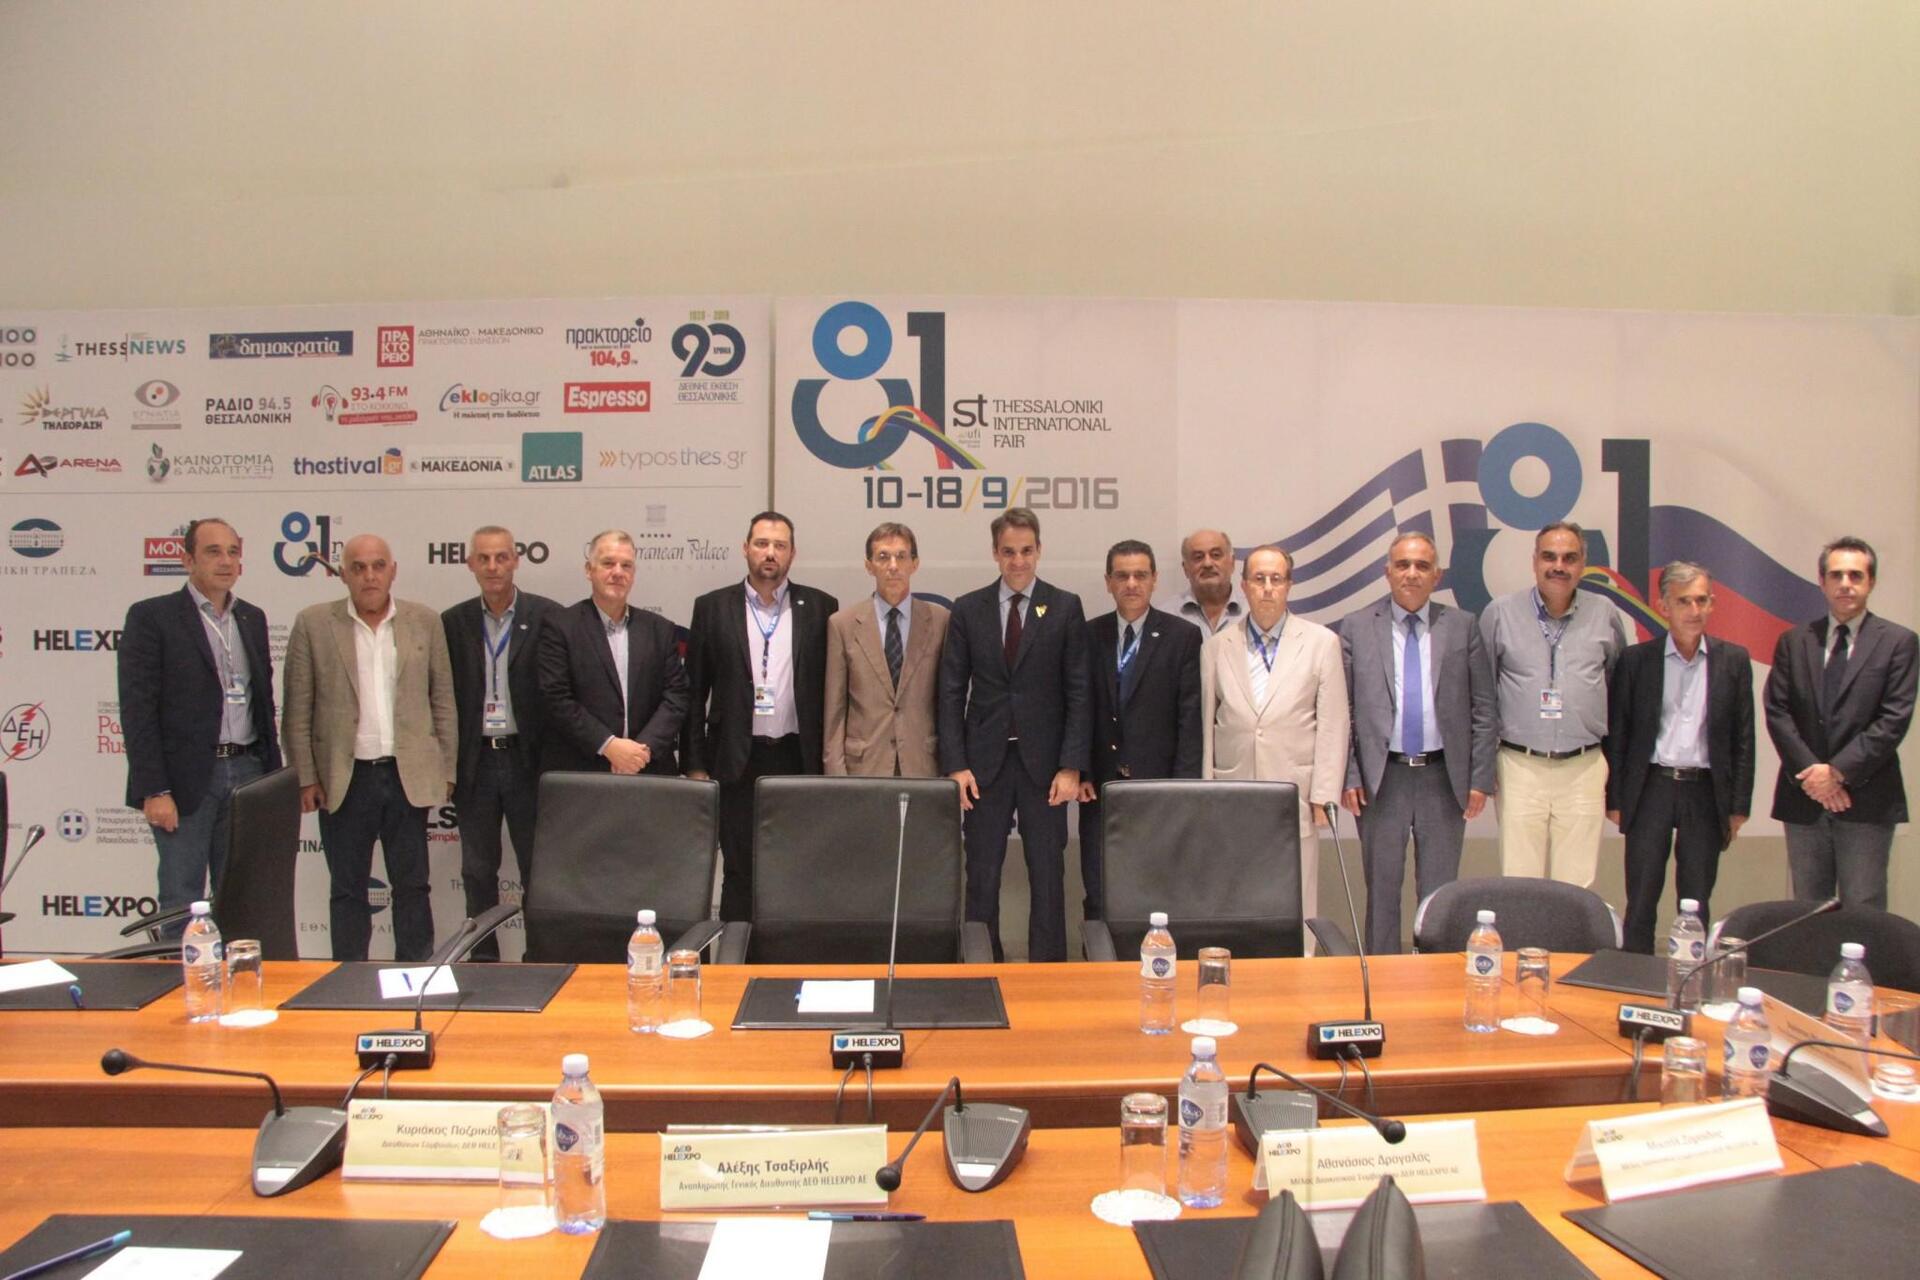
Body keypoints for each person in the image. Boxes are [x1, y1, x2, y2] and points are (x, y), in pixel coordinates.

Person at [283, 534, 456, 961]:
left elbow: (442, 701)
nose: (369, 576)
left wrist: (447, 770)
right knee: (347, 889)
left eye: (378, 566)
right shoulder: (313, 624)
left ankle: (414, 976)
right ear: (343, 574)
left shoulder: (424, 621)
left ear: (392, 571)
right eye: (358, 567)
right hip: (344, 779)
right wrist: (306, 778)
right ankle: (348, 978)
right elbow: (298, 709)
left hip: (406, 776)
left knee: (412, 886)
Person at [939, 507, 1090, 962]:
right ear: (995, 553)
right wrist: (956, 765)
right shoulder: (968, 608)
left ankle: (1047, 977)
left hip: (1046, 768)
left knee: (1047, 878)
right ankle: (982, 970)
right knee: (982, 877)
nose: (1018, 561)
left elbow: (1079, 691)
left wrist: (1071, 766)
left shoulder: (1065, 606)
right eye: (1009, 552)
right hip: (983, 767)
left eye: (1026, 550)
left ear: (1039, 550)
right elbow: (950, 691)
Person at [118, 517, 282, 929]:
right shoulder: (153, 617)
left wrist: (272, 780)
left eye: (232, 552)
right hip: (186, 779)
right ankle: (177, 970)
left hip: (247, 772)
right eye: (213, 552)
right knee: (181, 894)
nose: (225, 561)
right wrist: (155, 789)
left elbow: (263, 704)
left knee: (241, 894)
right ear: (188, 560)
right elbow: (138, 711)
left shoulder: (252, 618)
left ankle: (235, 971)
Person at [1337, 532, 1495, 954]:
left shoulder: (1462, 626)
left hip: (1443, 778)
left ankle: (1434, 976)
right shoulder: (1357, 626)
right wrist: (1350, 774)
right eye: (1403, 565)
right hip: (1381, 779)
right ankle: (1381, 976)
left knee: (1439, 896)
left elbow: (1484, 707)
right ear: (1387, 572)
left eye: (1422, 566)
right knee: (1382, 891)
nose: (1411, 573)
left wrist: (1480, 778)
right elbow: (1343, 710)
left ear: (1437, 576)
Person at [685, 512, 837, 921]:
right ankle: (738, 955)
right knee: (739, 871)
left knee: (797, 869)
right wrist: (696, 765)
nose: (770, 553)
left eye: (780, 545)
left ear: (792, 554)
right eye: (762, 543)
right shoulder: (712, 607)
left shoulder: (821, 606)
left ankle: (787, 955)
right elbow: (694, 692)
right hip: (736, 760)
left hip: (797, 760)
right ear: (745, 548)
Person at [1606, 562, 1755, 952]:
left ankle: (1691, 976)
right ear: (1664, 606)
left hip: (1704, 791)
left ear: (1713, 604)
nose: (1694, 610)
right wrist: (1616, 798)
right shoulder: (1637, 660)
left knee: (1696, 898)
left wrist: (1739, 805)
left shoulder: (1733, 660)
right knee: (1641, 896)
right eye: (1683, 601)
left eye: (1702, 600)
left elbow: (1743, 738)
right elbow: (1619, 734)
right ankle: (1635, 973)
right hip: (1651, 788)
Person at [1765, 536, 1917, 909]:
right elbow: (1778, 712)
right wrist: (1815, 776)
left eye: (1855, 575)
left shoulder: (1898, 642)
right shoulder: (1794, 641)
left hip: (1866, 799)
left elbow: (1893, 719)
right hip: (1805, 798)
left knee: (1863, 909)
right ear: (1822, 581)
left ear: (1871, 581)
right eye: (1836, 575)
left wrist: (1837, 773)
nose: (1845, 584)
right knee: (1807, 909)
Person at [1200, 544, 1348, 925]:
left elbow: (1333, 725)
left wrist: (1324, 795)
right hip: (1233, 793)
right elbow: (1207, 728)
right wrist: (1207, 791)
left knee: (1296, 903)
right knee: (1235, 899)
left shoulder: (1321, 643)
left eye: (1276, 579)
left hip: (1295, 793)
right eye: (1259, 579)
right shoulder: (1216, 647)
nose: (1267, 587)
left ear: (1289, 586)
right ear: (1244, 586)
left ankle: (1301, 961)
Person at [1479, 522, 1630, 886]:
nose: (1558, 566)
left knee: (1576, 886)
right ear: (1535, 561)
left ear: (1582, 565)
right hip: (1519, 766)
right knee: (1519, 882)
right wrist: (1483, 768)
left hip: (1584, 767)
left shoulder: (1604, 613)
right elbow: (1482, 697)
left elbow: (1619, 692)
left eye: (1569, 558)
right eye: (1549, 557)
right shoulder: (1500, 614)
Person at [441, 527, 558, 960]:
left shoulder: (547, 616)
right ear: (471, 563)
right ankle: (483, 960)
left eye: (501, 557)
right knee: (477, 870)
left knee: (538, 871)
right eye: (484, 558)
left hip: (529, 763)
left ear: (516, 560)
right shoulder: (452, 623)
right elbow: (442, 698)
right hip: (475, 765)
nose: (493, 567)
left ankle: (539, 960)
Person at [1079, 539, 1203, 920]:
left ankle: (1151, 958)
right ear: (1108, 582)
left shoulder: (1182, 636)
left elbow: (1189, 720)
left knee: (1156, 893)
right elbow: (1078, 709)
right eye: (1122, 576)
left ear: (1154, 579)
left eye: (1140, 575)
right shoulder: (1088, 635)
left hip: (1159, 790)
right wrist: (1081, 770)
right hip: (1101, 789)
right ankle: (1098, 957)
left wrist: (1183, 788)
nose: (1131, 584)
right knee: (1099, 892)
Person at [536, 530, 688, 777]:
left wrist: (640, 752)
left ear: (633, 574)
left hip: (648, 769)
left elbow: (676, 695)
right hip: (582, 771)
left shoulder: (660, 630)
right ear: (589, 570)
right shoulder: (560, 626)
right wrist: (609, 746)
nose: (618, 572)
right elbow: (556, 698)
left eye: (626, 565)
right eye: (608, 563)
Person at [823, 522, 950, 777]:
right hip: (863, 767)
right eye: (883, 557)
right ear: (869, 565)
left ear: (915, 564)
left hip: (922, 765)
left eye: (901, 556)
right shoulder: (843, 624)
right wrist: (836, 778)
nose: (893, 566)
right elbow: (834, 711)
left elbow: (948, 702)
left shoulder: (940, 620)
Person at [1155, 528, 1250, 636]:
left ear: (1232, 563)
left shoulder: (1252, 611)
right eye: (1198, 557)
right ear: (1185, 569)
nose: (1207, 564)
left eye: (1216, 555)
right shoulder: (1165, 617)